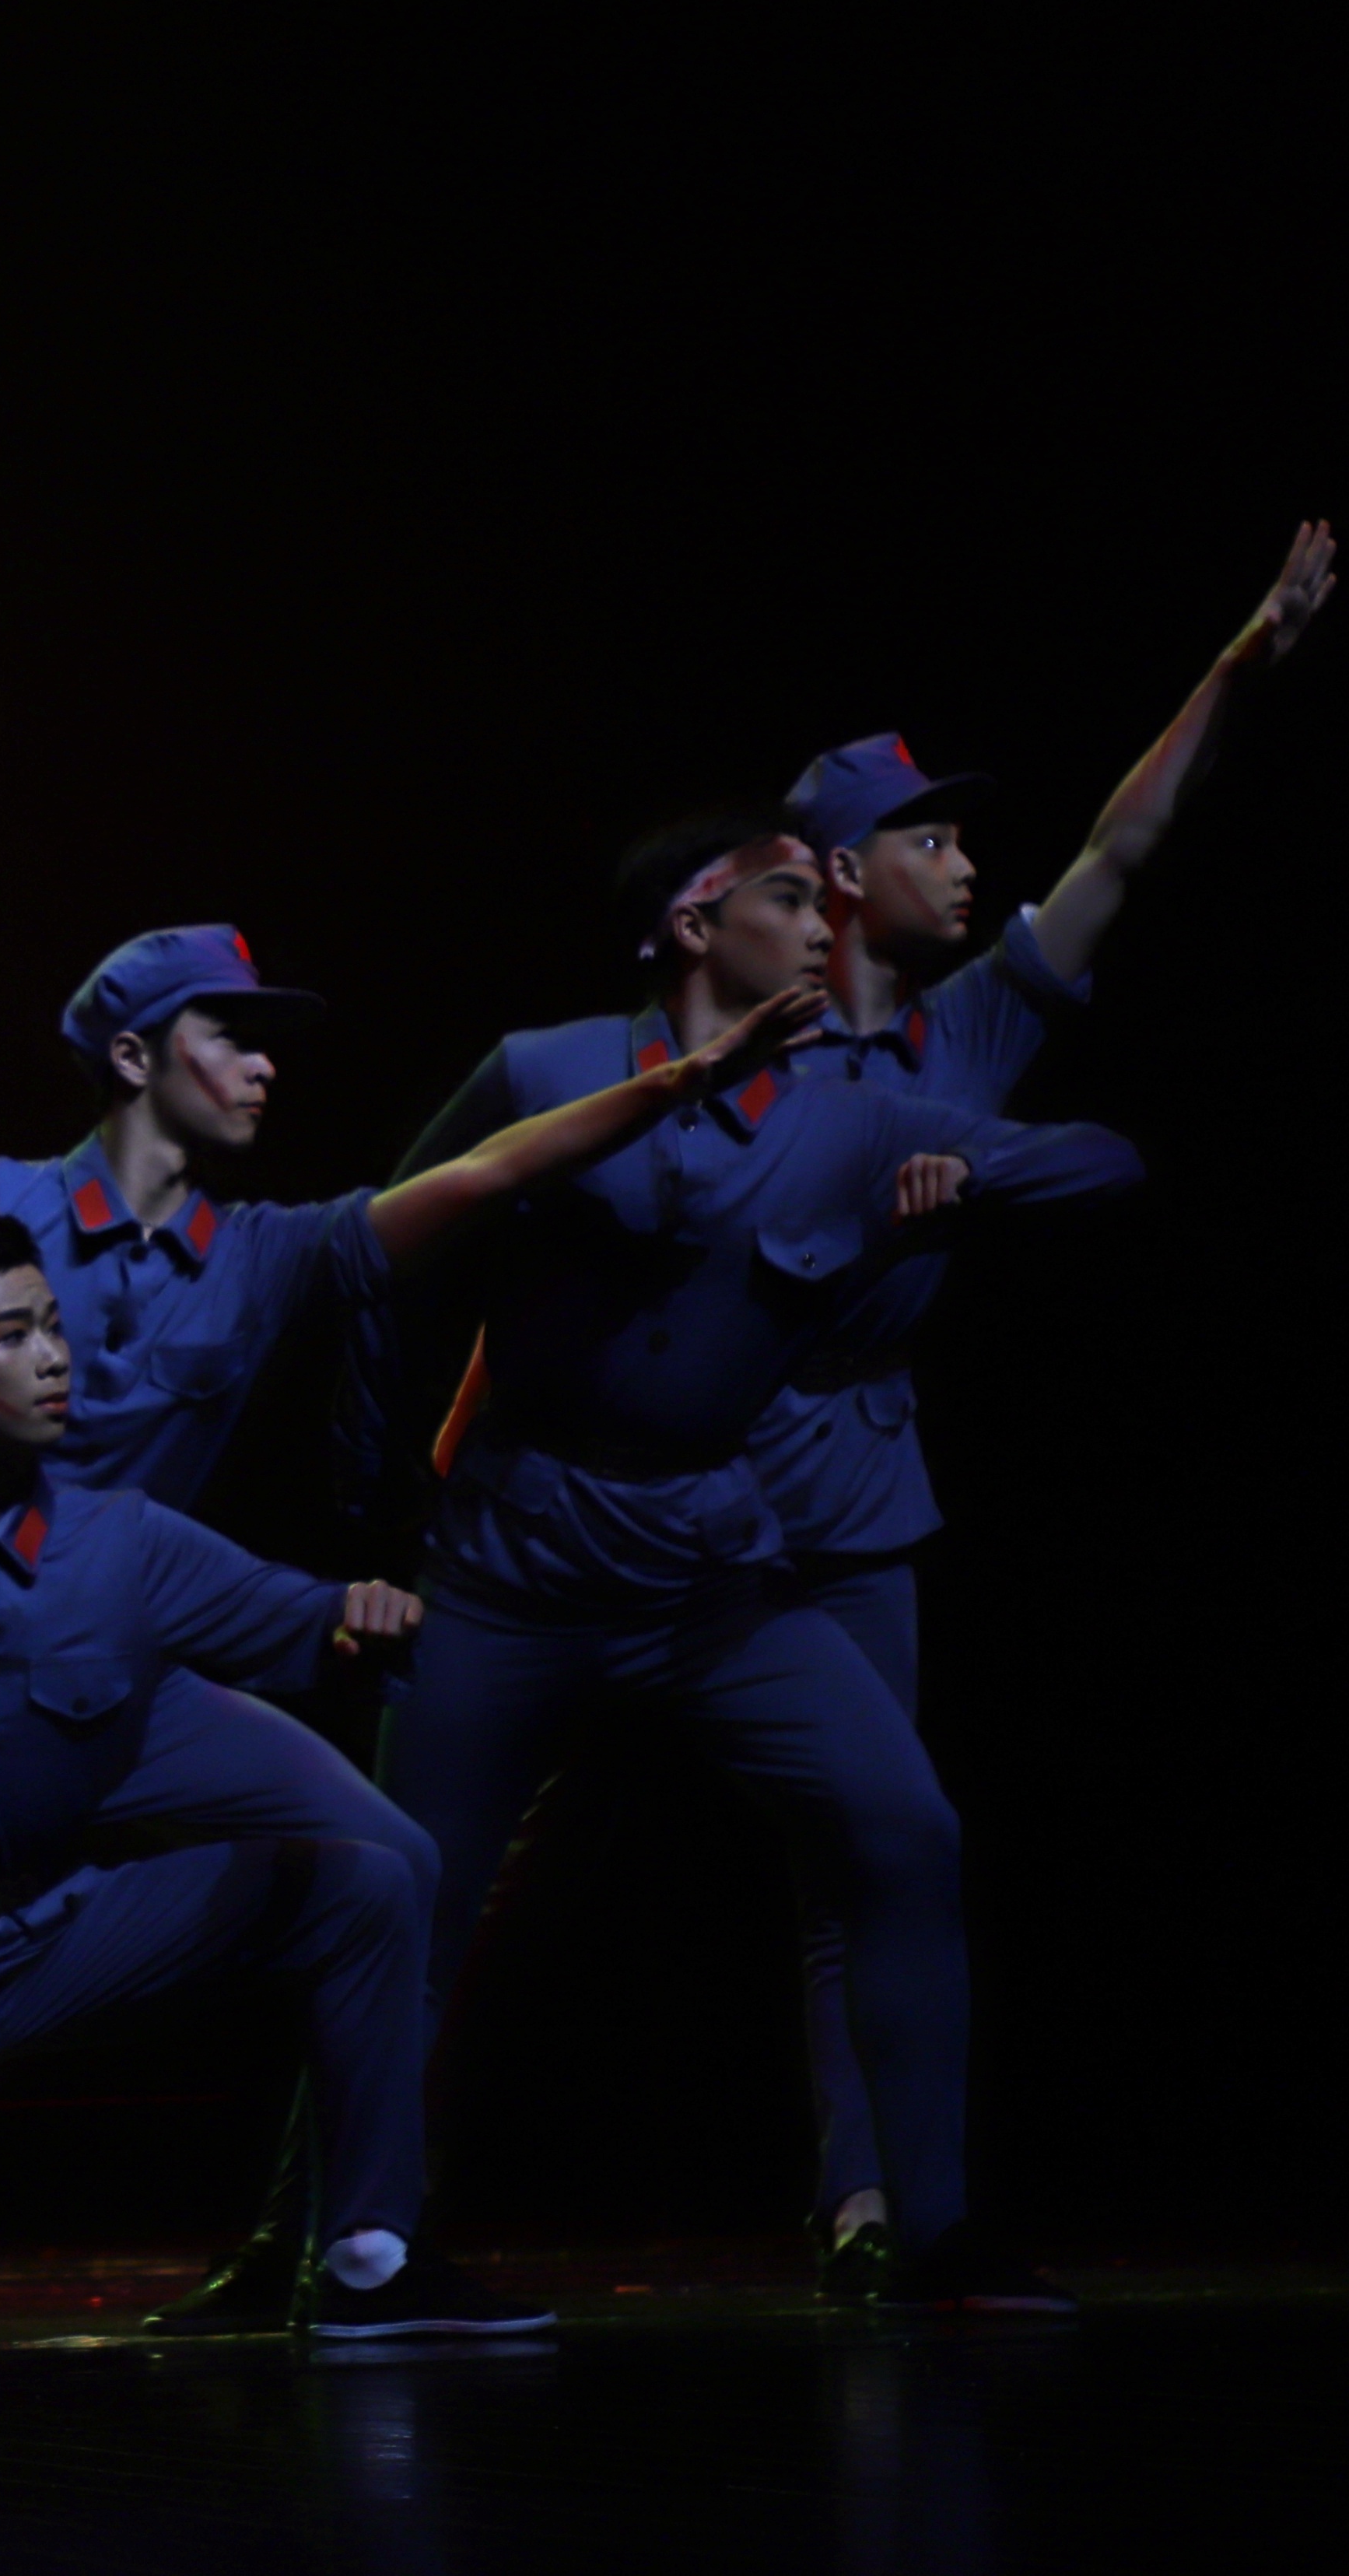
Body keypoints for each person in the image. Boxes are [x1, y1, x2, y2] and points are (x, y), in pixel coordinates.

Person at [0, 927, 823, 2289]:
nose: (263, 1068)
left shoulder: (262, 1252)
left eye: (267, 1045)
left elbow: (483, 1176)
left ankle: (366, 2248)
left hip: (116, 1671)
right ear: (135, 1057)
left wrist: (680, 1080)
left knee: (386, 1858)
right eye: (230, 1037)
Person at [352, 814, 1147, 2318]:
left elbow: (1105, 1161)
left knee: (904, 1830)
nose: (818, 919)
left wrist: (970, 1186)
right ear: (691, 927)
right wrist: (380, 1525)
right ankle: (360, 2247)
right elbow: (370, 1265)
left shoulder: (849, 1115)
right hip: (515, 1565)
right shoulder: (543, 1069)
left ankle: (928, 2231)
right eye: (787, 895)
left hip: (706, 1571)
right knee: (408, 1888)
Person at [758, 520, 1340, 2303]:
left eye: (960, 837)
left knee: (871, 1849)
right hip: (678, 1488)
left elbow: (1123, 845)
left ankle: (877, 2206)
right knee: (481, 1859)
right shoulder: (742, 1038)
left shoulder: (970, 1032)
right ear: (840, 872)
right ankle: (354, 2217)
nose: (965, 862)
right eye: (927, 838)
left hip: (851, 1489)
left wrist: (1238, 664)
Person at [0, 1211, 536, 2358]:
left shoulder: (124, 1541)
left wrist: (363, 1617)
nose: (58, 1359)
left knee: (373, 1879)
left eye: (56, 1329)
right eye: (17, 1335)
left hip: (71, 1933)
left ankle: (369, 2254)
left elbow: (305, 1619)